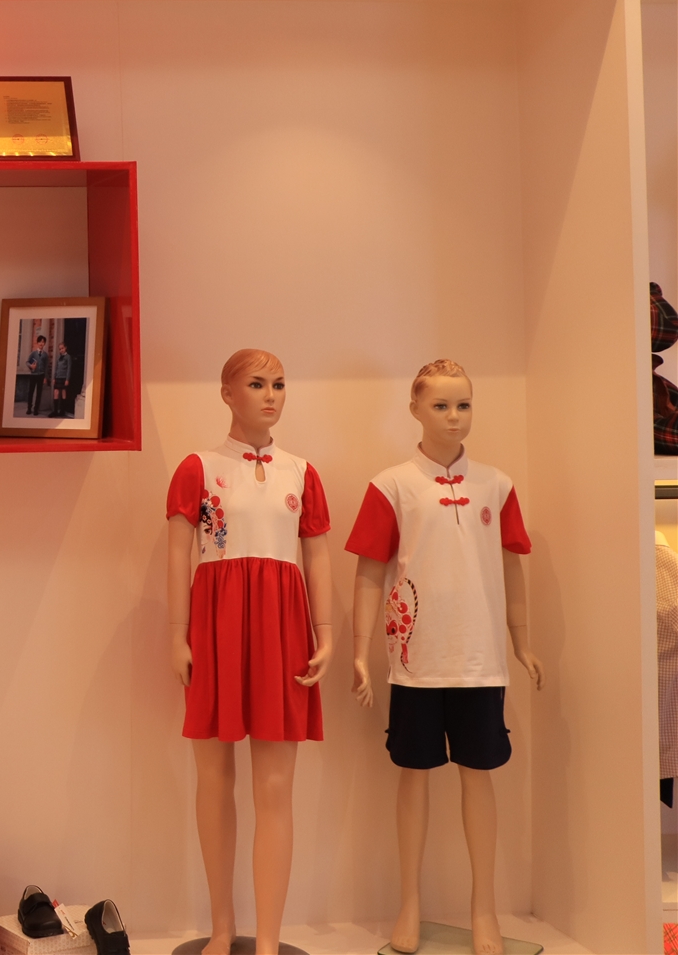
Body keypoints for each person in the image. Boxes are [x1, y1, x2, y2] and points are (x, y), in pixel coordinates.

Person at [348, 359, 541, 955]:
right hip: (416, 662)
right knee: (414, 776)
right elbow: (369, 571)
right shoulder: (392, 485)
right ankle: (409, 902)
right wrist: (359, 652)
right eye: (440, 406)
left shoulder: (497, 485)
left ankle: (484, 910)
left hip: (480, 659)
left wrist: (521, 640)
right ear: (414, 409)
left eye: (464, 405)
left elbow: (511, 565)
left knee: (478, 777)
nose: (454, 417)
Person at [165, 349, 334, 955]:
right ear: (226, 393)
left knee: (275, 787)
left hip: (283, 629)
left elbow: (317, 555)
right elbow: (178, 554)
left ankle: (267, 940)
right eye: (257, 384)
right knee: (214, 780)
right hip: (216, 625)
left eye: (279, 384)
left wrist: (325, 632)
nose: (270, 395)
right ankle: (220, 927)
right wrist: (178, 633)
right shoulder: (198, 468)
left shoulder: (301, 472)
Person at [26, 335, 51, 416]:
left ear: (44, 344)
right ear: (37, 343)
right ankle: (29, 408)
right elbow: (27, 362)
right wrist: (31, 366)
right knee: (31, 392)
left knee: (39, 393)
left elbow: (46, 366)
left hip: (41, 375)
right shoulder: (33, 353)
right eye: (40, 341)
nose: (41, 343)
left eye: (43, 342)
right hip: (33, 375)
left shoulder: (45, 355)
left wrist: (45, 377)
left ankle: (36, 409)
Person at [50, 341, 73, 418]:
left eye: (62, 348)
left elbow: (69, 369)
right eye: (60, 349)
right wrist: (54, 378)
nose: (61, 350)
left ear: (65, 348)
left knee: (63, 393)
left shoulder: (68, 357)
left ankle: (62, 411)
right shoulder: (59, 357)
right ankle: (55, 411)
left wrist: (67, 379)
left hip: (64, 378)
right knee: (56, 393)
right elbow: (56, 368)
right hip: (58, 378)